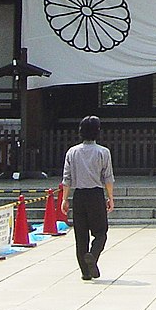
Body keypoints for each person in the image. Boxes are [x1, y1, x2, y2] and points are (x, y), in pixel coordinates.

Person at [61, 115, 115, 281]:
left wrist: (64, 199)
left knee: (81, 235)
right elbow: (108, 177)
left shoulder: (72, 152)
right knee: (100, 232)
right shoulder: (103, 152)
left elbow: (67, 178)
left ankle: (85, 271)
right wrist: (110, 197)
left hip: (79, 195)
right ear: (97, 132)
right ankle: (93, 254)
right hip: (95, 194)